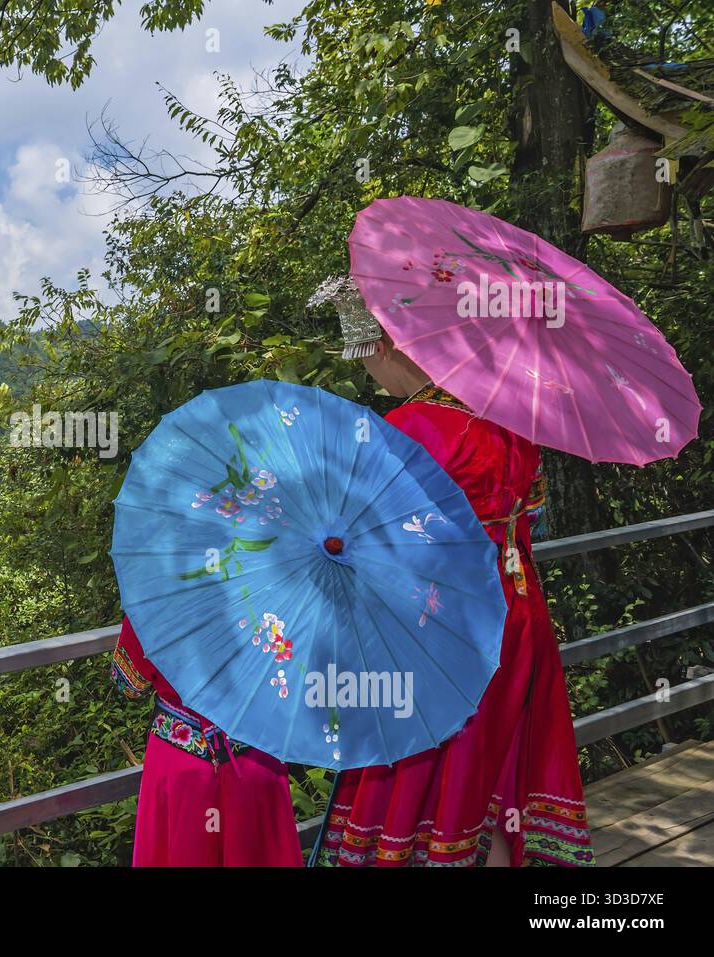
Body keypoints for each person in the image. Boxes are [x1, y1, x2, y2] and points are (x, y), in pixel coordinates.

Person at [308, 275, 594, 867]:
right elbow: (525, 520)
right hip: (518, 616)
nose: (373, 381)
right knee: (492, 767)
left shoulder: (409, 429)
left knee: (428, 776)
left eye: (366, 364)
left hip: (442, 627)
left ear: (383, 347)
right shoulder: (510, 421)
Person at [111, 615, 304, 866]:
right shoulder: (267, 587)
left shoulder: (158, 592)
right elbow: (292, 664)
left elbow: (129, 684)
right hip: (255, 751)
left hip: (183, 760)